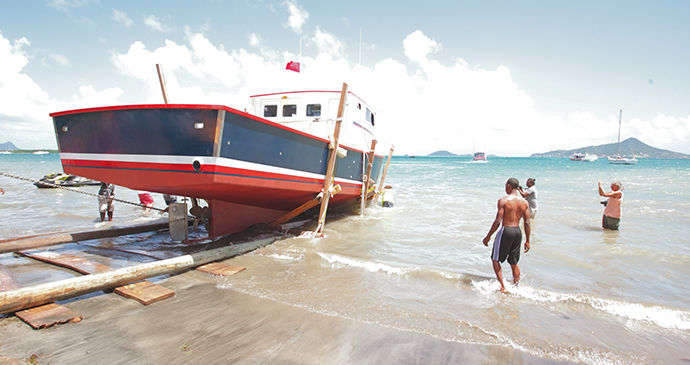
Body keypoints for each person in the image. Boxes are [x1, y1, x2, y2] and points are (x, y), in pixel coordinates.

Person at [482, 178, 531, 294]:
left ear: (509, 186)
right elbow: (527, 222)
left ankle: (502, 287)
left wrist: (488, 236)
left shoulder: (503, 201)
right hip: (517, 232)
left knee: (495, 259)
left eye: (505, 186)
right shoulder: (525, 202)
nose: (505, 188)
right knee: (513, 262)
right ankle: (516, 287)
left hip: (506, 230)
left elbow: (498, 221)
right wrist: (528, 240)